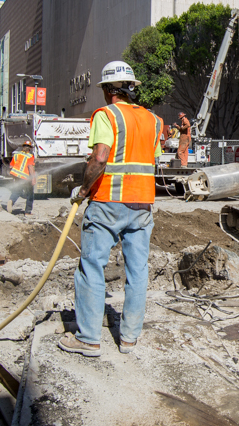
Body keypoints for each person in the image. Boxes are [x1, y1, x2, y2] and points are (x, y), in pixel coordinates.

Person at [59, 60, 162, 357]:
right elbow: (150, 160)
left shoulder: (107, 115)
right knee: (137, 270)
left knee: (91, 266)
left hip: (107, 203)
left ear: (108, 90)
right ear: (131, 89)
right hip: (142, 205)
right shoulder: (154, 121)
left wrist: (83, 190)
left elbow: (100, 157)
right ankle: (129, 338)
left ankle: (89, 339)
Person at [7, 141, 36, 215]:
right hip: (25, 177)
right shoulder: (30, 156)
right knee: (30, 194)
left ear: (23, 147)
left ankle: (11, 200)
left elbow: (11, 167)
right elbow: (30, 168)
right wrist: (33, 179)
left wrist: (14, 176)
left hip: (16, 175)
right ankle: (28, 212)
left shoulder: (17, 155)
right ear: (30, 149)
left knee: (18, 190)